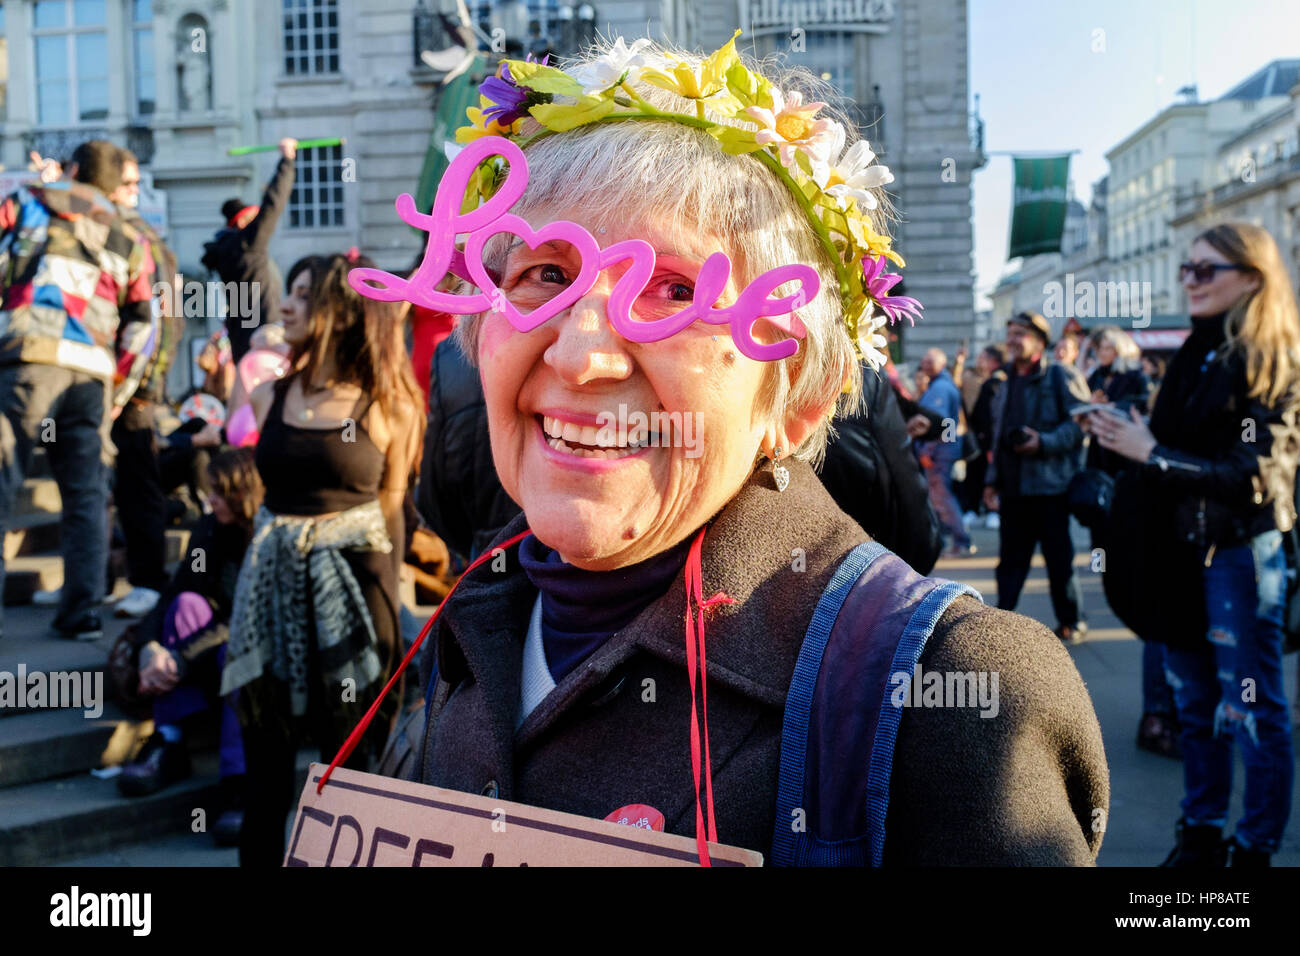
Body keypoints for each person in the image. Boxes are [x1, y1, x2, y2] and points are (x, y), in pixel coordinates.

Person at [367, 38, 1107, 865]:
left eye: (677, 290)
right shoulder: (474, 613)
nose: (580, 354)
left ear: (795, 406)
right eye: (545, 272)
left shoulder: (954, 698)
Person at [1091, 223, 1300, 867]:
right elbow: (1173, 450)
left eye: (1206, 270)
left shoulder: (1270, 359)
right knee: (1194, 705)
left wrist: (1151, 455)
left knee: (1254, 707)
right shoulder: (1194, 352)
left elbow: (1254, 477)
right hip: (1178, 556)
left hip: (1239, 553)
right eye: (1186, 269)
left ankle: (1255, 848)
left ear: (1252, 277)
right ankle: (1202, 837)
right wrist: (1125, 436)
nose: (1189, 280)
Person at [221, 252, 424, 866]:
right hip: (267, 606)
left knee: (348, 779)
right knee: (265, 777)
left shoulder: (391, 408)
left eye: (303, 293)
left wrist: (390, 624)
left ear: (340, 308)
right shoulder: (264, 396)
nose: (286, 304)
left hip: (356, 612)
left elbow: (394, 521)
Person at [0, 140, 156, 640]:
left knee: (3, 483)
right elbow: (142, 328)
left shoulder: (29, 200)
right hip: (91, 372)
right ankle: (82, 612)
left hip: (28, 357)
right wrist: (117, 391)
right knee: (86, 496)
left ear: (72, 169)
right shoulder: (131, 234)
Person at [117, 448, 264, 843]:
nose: (210, 499)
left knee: (241, 651)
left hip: (257, 656)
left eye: (218, 492)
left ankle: (239, 783)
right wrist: (150, 647)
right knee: (185, 605)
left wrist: (179, 659)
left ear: (242, 492)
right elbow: (175, 590)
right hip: (207, 651)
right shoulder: (209, 528)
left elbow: (246, 621)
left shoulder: (268, 536)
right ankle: (170, 743)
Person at [109, 148, 222, 619]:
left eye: (135, 184)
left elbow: (156, 320)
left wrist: (131, 387)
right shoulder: (139, 235)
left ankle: (148, 580)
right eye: (131, 184)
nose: (135, 193)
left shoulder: (134, 236)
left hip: (130, 385)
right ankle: (109, 582)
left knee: (137, 484)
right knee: (120, 484)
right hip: (133, 383)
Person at [1082, 325, 1175, 756]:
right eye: (1096, 347)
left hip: (1138, 487)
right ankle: (1159, 714)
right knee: (1160, 617)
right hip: (1114, 483)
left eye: (1105, 347)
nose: (1100, 353)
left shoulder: (1136, 381)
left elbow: (1137, 423)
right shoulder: (1096, 379)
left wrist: (1109, 410)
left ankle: (1162, 714)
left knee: (1165, 620)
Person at [984, 311, 1091, 643]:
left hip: (1051, 488)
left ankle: (1071, 621)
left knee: (1060, 560)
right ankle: (1002, 620)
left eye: (1022, 334)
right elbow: (998, 434)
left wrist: (1042, 442)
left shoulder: (1060, 375)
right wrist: (991, 481)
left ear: (1041, 341)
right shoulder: (1004, 380)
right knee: (1010, 563)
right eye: (1011, 333)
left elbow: (1082, 424)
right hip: (1014, 488)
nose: (1014, 340)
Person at [200, 139, 297, 363]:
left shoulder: (228, 250)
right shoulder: (248, 246)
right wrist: (287, 161)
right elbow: (273, 204)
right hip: (263, 338)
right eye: (252, 219)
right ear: (242, 223)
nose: (257, 223)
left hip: (244, 340)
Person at [916, 348, 972, 557]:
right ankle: (956, 539)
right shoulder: (942, 385)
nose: (925, 364)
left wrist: (928, 450)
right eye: (924, 360)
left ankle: (961, 541)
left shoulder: (940, 388)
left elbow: (938, 424)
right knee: (940, 496)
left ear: (941, 363)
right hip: (942, 450)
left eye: (930, 361)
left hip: (938, 452)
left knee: (941, 496)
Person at [966, 344, 1006, 527]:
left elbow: (993, 416)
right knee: (976, 474)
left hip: (988, 441)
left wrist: (990, 444)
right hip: (983, 440)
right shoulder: (989, 380)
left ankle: (993, 511)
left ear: (993, 361)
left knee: (989, 476)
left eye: (983, 357)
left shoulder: (995, 383)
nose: (979, 361)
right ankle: (975, 509)